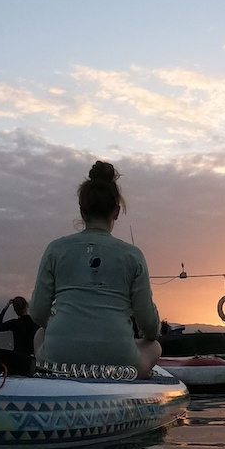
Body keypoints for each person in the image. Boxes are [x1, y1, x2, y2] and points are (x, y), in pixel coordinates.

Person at [30, 161, 161, 378]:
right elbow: (149, 326)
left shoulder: (55, 249)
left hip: (59, 359)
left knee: (39, 334)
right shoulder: (132, 255)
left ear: (82, 210)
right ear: (117, 212)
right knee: (154, 345)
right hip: (120, 363)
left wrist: (65, 328)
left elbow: (37, 312)